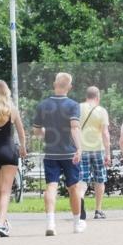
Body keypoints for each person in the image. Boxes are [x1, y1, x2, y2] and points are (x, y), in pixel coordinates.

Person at [32, 72, 83, 236]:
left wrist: (45, 132)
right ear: (70, 87)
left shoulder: (42, 105)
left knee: (51, 187)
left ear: (54, 84)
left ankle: (51, 224)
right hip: (69, 153)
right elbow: (75, 128)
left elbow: (37, 132)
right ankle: (76, 224)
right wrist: (79, 148)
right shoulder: (73, 105)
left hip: (51, 154)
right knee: (74, 187)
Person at [0, 80, 27, 236]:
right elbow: (21, 133)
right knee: (6, 190)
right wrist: (23, 147)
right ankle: (1, 224)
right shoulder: (12, 110)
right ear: (7, 92)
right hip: (8, 152)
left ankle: (3, 221)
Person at [78, 86, 111, 220]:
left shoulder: (78, 108)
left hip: (82, 149)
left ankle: (80, 198)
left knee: (82, 179)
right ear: (98, 97)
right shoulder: (101, 111)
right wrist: (108, 153)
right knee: (100, 179)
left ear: (86, 96)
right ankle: (98, 210)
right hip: (98, 149)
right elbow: (105, 133)